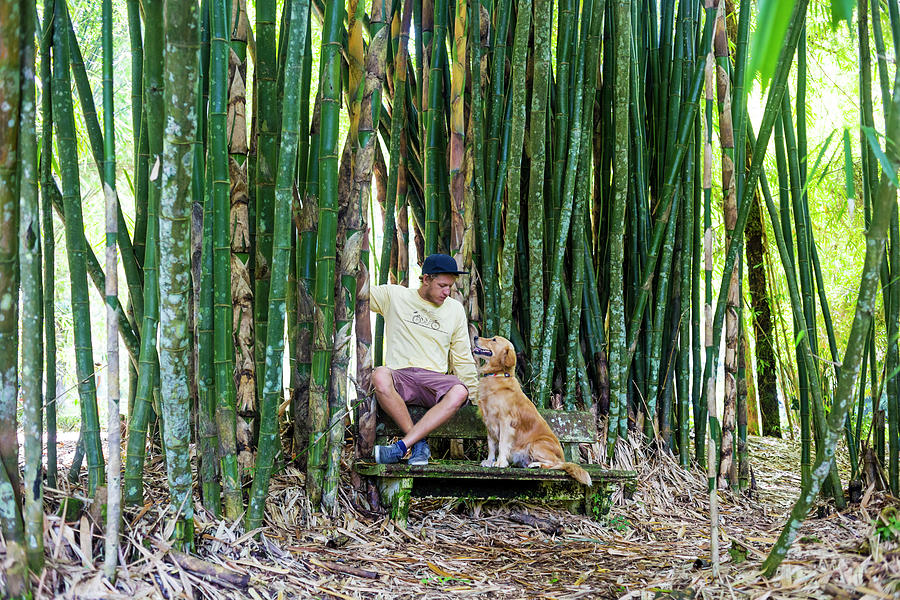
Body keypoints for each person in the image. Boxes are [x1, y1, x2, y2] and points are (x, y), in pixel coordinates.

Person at [369, 253, 478, 465]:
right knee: (380, 376)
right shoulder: (394, 296)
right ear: (426, 279)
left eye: (450, 287)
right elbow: (357, 290)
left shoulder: (455, 309)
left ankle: (401, 447)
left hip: (435, 382)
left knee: (460, 391)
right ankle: (418, 445)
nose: (447, 292)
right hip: (401, 377)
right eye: (442, 285)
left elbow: (463, 357)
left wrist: (475, 395)